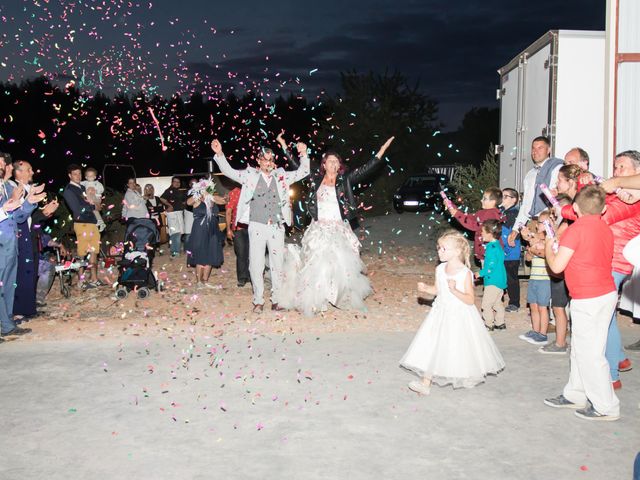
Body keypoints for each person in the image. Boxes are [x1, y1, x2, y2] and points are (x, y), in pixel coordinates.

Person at [278, 137, 394, 315]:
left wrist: (381, 152)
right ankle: (320, 298)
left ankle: (339, 296)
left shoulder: (345, 180)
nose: (332, 164)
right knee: (318, 264)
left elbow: (365, 169)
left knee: (340, 265)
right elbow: (296, 165)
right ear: (323, 165)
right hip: (319, 228)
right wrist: (285, 146)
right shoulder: (315, 180)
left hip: (339, 228)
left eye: (336, 162)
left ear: (339, 165)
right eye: (329, 161)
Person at [543, 185, 620, 421]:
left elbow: (556, 267)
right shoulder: (605, 228)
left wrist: (549, 242)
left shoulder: (576, 230)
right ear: (604, 208)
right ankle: (575, 393)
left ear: (575, 208)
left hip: (589, 298)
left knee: (591, 354)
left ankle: (606, 406)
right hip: (603, 294)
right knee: (580, 348)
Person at [399, 230, 505, 395]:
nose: (439, 251)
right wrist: (427, 288)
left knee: (459, 346)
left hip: (458, 315)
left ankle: (467, 374)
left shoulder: (465, 273)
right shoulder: (440, 269)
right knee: (433, 345)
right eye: (438, 248)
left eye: (443, 249)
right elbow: (438, 289)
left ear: (456, 252)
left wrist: (455, 291)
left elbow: (470, 300)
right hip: (440, 313)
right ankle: (425, 384)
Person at [211, 138, 310, 313]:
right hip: (256, 226)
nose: (268, 163)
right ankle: (258, 300)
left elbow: (303, 171)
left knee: (277, 264)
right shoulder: (249, 175)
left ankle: (276, 300)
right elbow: (228, 171)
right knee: (255, 264)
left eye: (271, 160)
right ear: (258, 160)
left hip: (277, 226)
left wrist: (303, 154)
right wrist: (219, 154)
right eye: (265, 159)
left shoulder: (281, 175)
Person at [0, 153, 46, 340]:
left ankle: (7, 324)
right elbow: (5, 211)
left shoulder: (3, 187)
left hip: (11, 242)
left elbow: (17, 217)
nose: (5, 165)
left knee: (8, 286)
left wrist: (28, 204)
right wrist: (5, 208)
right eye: (2, 161)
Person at [12, 160, 59, 318]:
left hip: (31, 236)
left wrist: (45, 212)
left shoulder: (28, 190)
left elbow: (32, 219)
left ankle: (29, 307)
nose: (32, 172)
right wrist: (44, 213)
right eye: (29, 169)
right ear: (18, 173)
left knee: (31, 272)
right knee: (23, 273)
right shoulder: (15, 190)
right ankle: (20, 310)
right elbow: (19, 217)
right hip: (20, 236)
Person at [508, 136, 564, 246]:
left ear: (548, 150)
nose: (535, 151)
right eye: (533, 148)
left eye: (540, 148)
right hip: (532, 223)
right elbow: (526, 205)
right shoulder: (530, 175)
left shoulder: (557, 168)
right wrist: (515, 229)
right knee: (533, 260)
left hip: (548, 223)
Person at [62, 164, 103, 289]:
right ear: (69, 175)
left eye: (79, 173)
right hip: (82, 224)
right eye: (75, 174)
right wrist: (93, 207)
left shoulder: (82, 187)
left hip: (92, 222)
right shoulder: (69, 190)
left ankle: (94, 279)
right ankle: (81, 280)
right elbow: (77, 209)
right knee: (82, 253)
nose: (78, 176)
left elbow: (93, 201)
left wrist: (96, 203)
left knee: (94, 251)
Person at [185, 178, 226, 288]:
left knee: (211, 253)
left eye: (210, 188)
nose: (208, 189)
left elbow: (223, 201)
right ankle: (199, 281)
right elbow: (188, 202)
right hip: (200, 229)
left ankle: (205, 280)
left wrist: (211, 196)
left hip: (213, 228)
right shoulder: (197, 199)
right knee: (200, 253)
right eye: (206, 187)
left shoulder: (212, 199)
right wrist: (200, 193)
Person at [444, 187, 504, 263]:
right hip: (484, 252)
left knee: (491, 273)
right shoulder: (482, 212)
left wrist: (457, 214)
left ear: (493, 202)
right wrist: (451, 206)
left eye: (485, 199)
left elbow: (475, 226)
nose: (481, 200)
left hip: (492, 252)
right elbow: (467, 217)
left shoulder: (493, 214)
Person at [518, 212, 552, 346]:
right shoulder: (534, 240)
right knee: (533, 306)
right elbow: (528, 258)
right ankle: (535, 331)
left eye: (544, 222)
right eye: (539, 222)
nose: (540, 225)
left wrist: (535, 245)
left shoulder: (549, 240)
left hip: (545, 279)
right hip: (534, 277)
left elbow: (545, 254)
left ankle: (543, 334)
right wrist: (530, 251)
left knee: (543, 307)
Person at [475, 219, 507, 331]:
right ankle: (500, 323)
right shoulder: (498, 246)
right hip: (500, 281)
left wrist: (481, 273)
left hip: (492, 281)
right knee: (497, 303)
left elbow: (491, 266)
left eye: (483, 231)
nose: (481, 233)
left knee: (486, 305)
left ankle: (489, 324)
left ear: (490, 234)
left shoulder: (491, 248)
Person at [225, 185, 250, 287]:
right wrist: (228, 230)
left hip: (254, 228)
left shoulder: (255, 189)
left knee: (253, 254)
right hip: (239, 228)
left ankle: (252, 277)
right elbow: (228, 211)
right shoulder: (235, 192)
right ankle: (242, 278)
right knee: (241, 253)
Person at [501, 188, 521, 312]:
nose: (501, 198)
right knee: (501, 276)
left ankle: (514, 303)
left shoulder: (514, 214)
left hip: (511, 253)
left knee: (511, 278)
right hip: (502, 252)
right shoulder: (502, 212)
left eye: (505, 196)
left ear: (513, 200)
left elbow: (516, 233)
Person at [161, 177, 186, 257]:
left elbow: (183, 201)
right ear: (172, 182)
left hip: (179, 213)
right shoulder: (169, 190)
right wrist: (169, 205)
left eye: (178, 182)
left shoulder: (179, 191)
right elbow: (162, 198)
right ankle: (174, 251)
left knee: (180, 232)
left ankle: (176, 249)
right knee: (175, 232)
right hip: (172, 214)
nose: (177, 183)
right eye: (175, 182)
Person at [80, 167, 106, 232]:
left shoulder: (97, 183)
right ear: (86, 177)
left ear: (95, 177)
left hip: (96, 198)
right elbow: (78, 183)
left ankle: (99, 222)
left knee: (93, 206)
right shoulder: (85, 182)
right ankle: (101, 222)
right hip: (90, 200)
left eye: (92, 176)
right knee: (94, 211)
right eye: (88, 176)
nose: (90, 177)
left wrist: (96, 191)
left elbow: (102, 189)